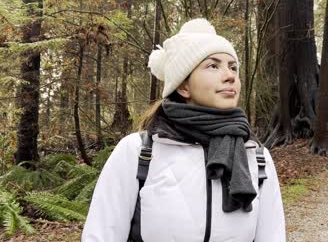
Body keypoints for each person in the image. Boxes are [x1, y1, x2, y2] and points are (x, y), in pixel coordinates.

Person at [81, 18, 285, 242]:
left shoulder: (256, 157)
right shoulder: (138, 152)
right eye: (213, 65)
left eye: (233, 67)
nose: (230, 75)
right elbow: (100, 235)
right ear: (183, 85)